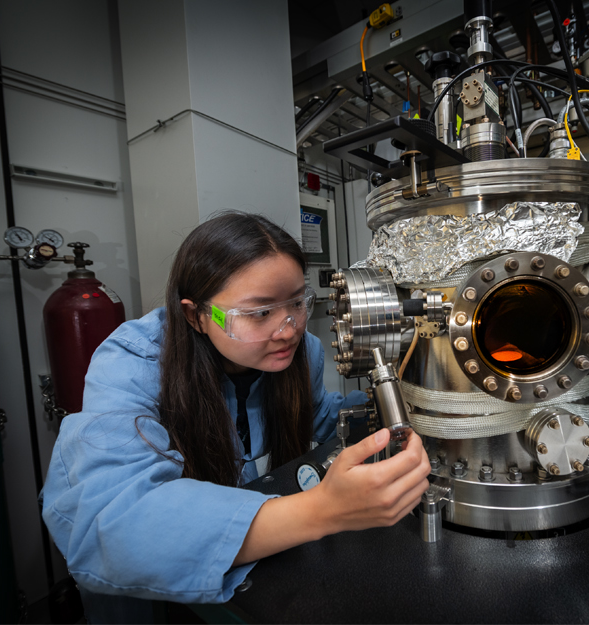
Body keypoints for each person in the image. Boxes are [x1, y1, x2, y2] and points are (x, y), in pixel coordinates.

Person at [40, 211, 431, 622]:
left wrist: (416, 404)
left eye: (297, 303)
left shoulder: (303, 353)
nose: (288, 329)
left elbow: (317, 417)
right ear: (195, 315)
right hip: (151, 594)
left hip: (259, 571)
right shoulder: (134, 361)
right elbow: (116, 522)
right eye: (260, 313)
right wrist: (322, 510)